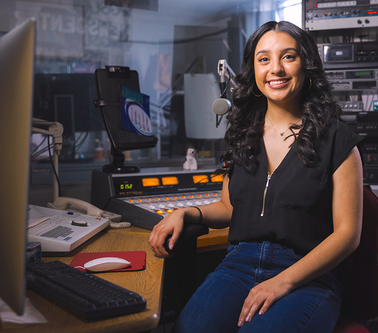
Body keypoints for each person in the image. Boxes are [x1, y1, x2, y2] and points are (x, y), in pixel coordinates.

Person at [149, 20, 364, 333]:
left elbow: (348, 235)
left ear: (307, 65)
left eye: (288, 57)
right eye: (264, 59)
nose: (275, 69)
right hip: (237, 266)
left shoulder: (338, 140)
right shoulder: (242, 134)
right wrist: (186, 212)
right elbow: (229, 208)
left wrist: (282, 282)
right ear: (254, 70)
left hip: (307, 276)